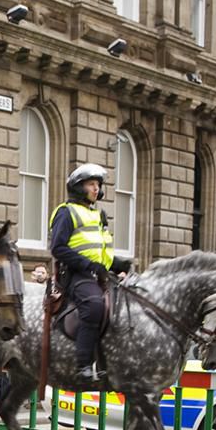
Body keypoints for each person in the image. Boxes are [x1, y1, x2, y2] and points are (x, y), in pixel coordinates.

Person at [48, 163, 131, 384]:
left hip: (99, 275)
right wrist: (89, 265)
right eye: (91, 184)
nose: (96, 189)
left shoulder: (97, 214)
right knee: (94, 306)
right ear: (78, 187)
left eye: (98, 185)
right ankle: (83, 365)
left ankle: (108, 363)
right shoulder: (66, 212)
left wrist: (119, 265)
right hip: (75, 275)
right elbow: (58, 248)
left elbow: (100, 252)